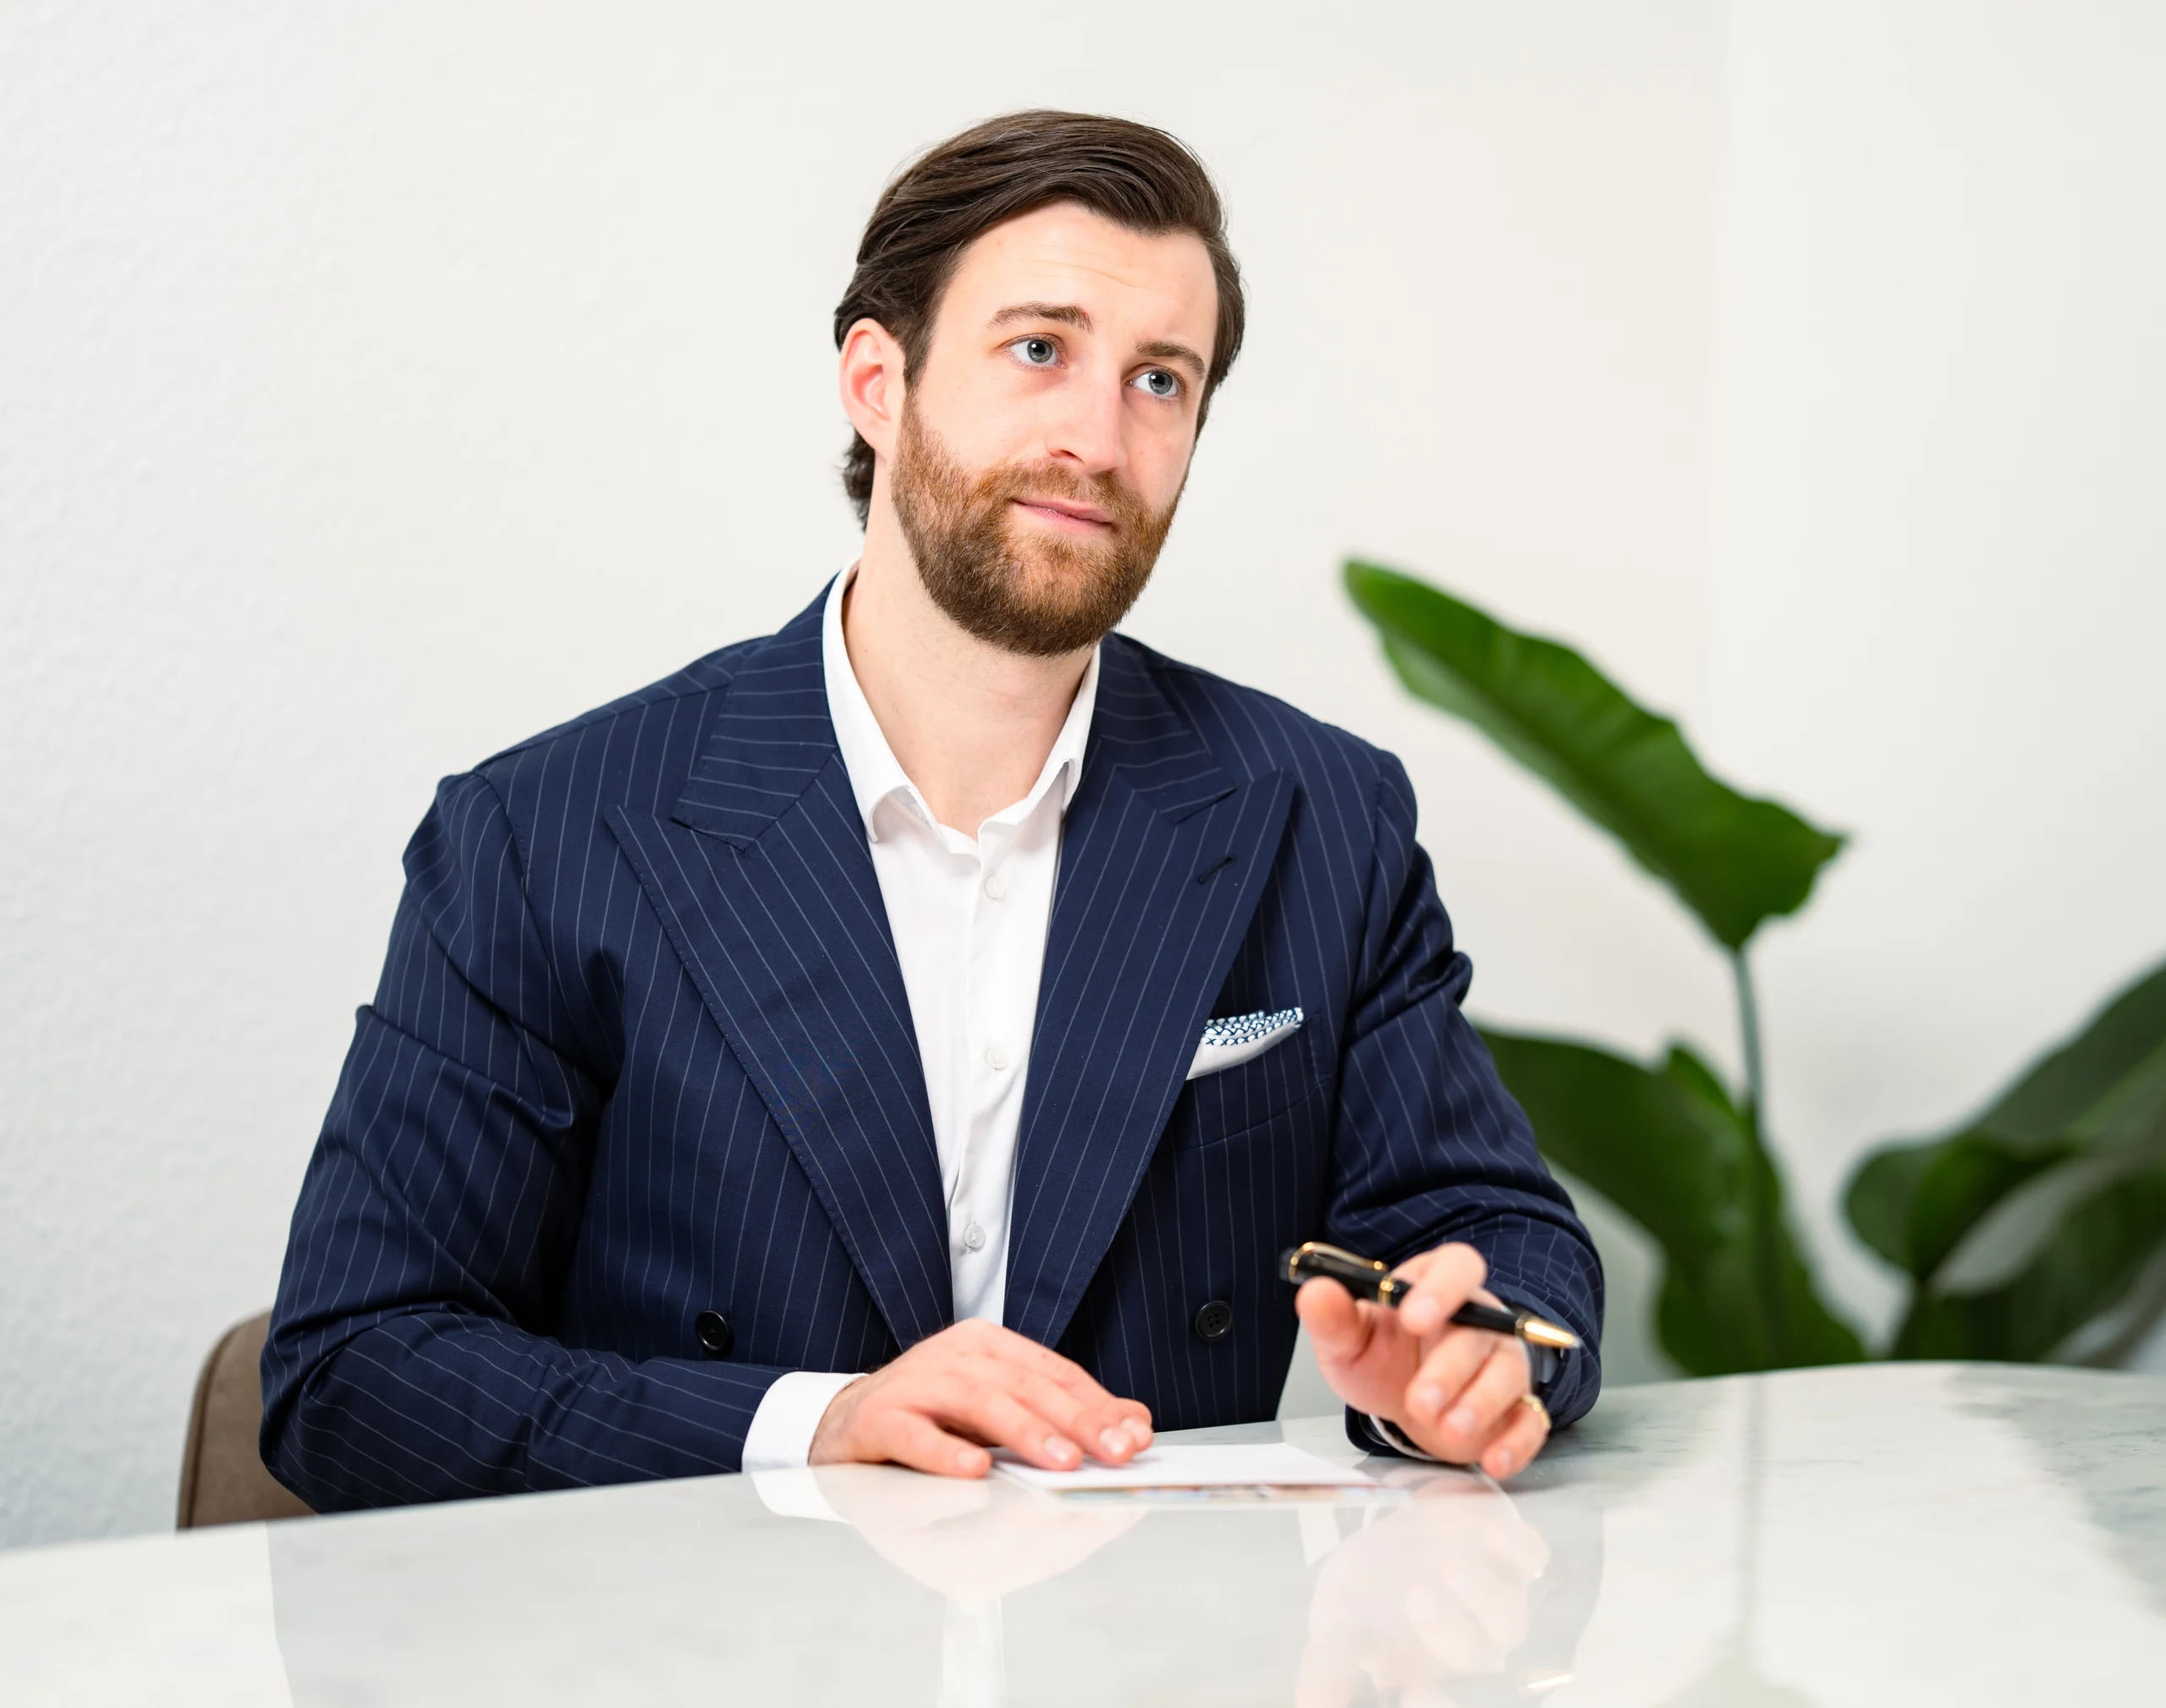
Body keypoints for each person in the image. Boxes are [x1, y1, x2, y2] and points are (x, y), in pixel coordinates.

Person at [261, 110, 1603, 1510]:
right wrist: (814, 1422)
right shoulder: (543, 836)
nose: (1097, 439)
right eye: (1040, 350)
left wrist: (1469, 1361)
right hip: (714, 1616)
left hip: (1155, 1621)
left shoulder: (1322, 816)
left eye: (1160, 380)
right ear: (878, 382)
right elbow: (353, 1371)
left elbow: (1498, 1231)